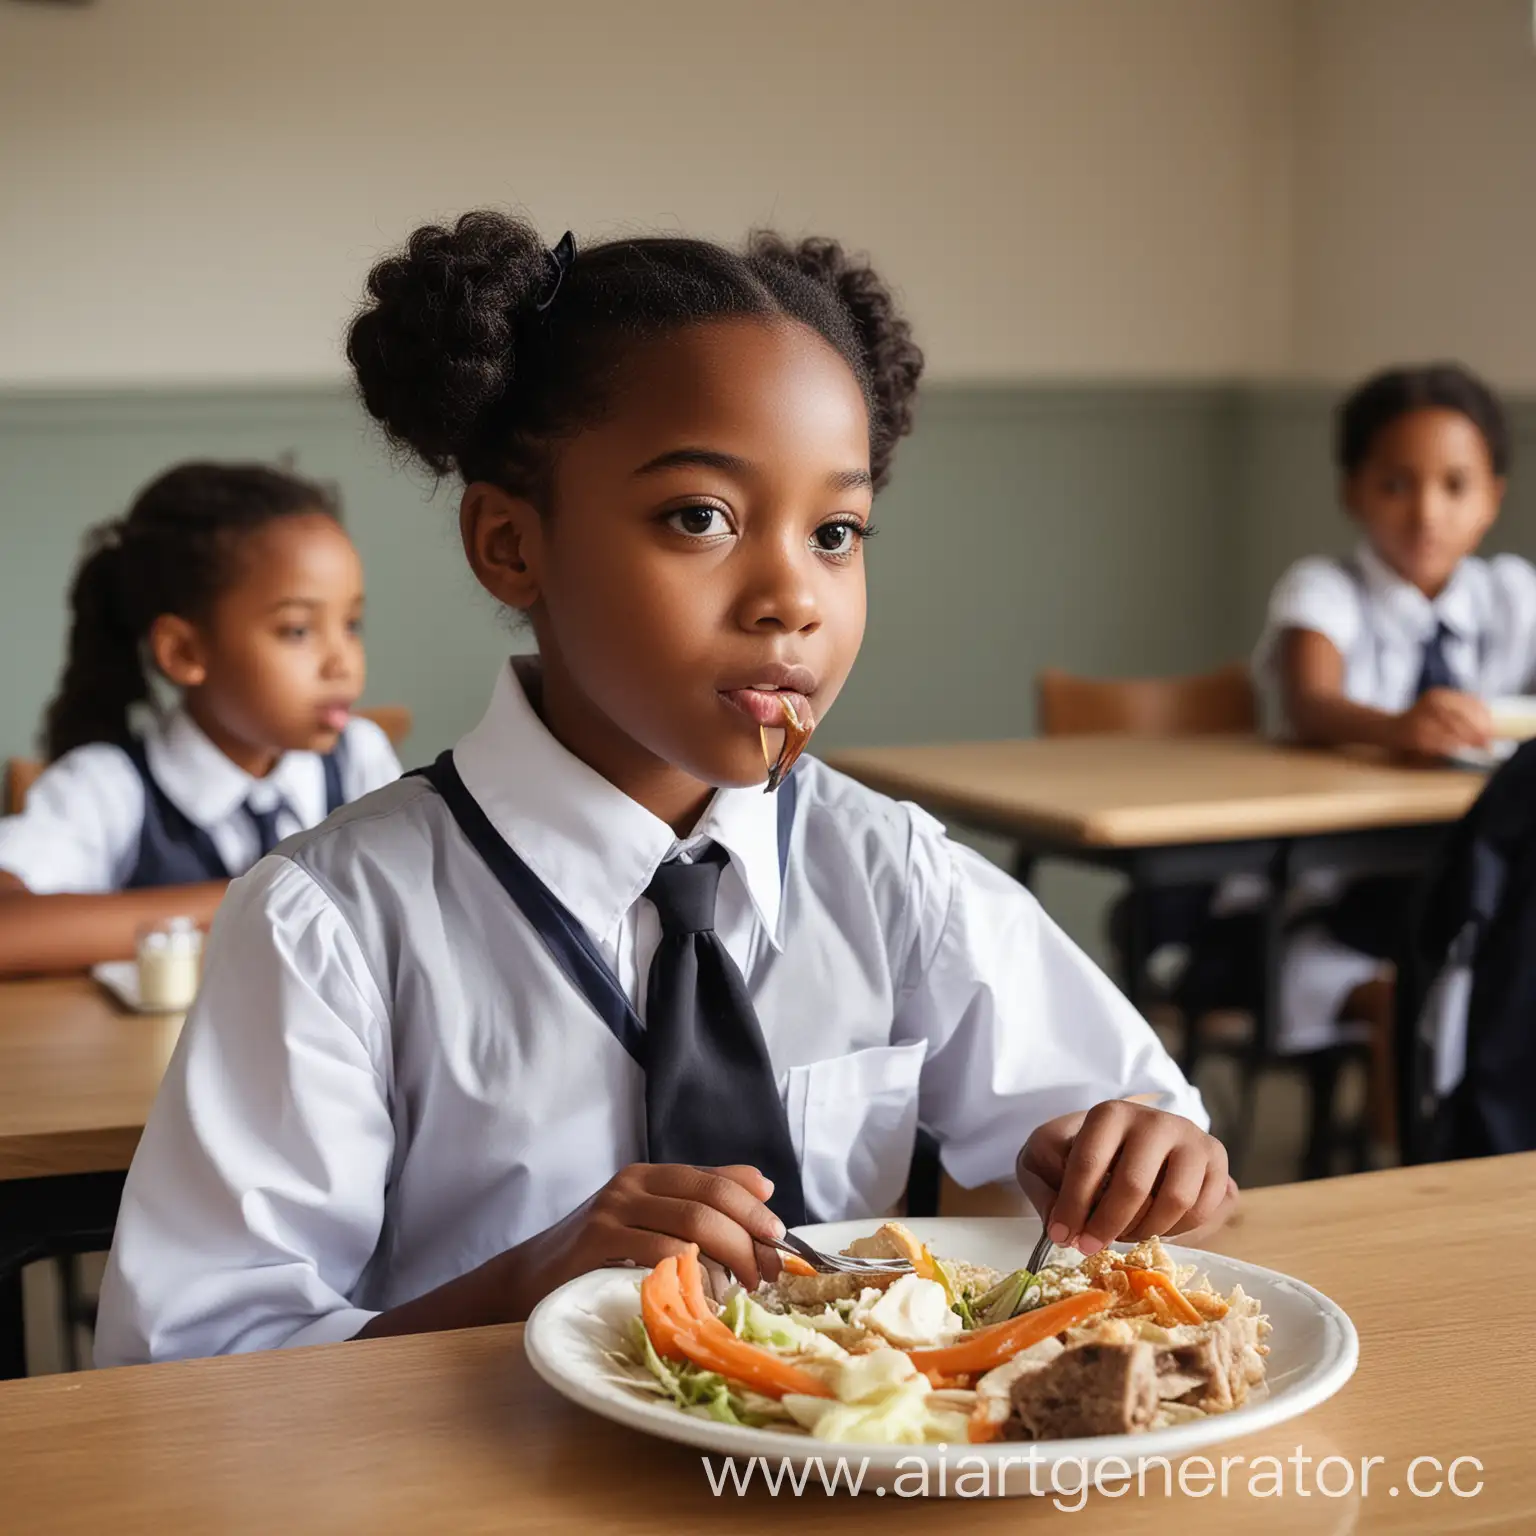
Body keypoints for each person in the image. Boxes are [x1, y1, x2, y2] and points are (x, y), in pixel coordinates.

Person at [96, 213, 1233, 1364]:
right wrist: (527, 1283)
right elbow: (188, 1373)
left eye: (836, 532)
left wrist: (1149, 1160)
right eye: (702, 518)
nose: (793, 598)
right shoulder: (333, 925)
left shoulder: (890, 870)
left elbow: (1166, 1155)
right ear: (510, 545)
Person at [1251, 363, 1536, 1129]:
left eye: (1455, 485)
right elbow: (1311, 702)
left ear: (1494, 498)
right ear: (1353, 490)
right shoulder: (1324, 589)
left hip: (1469, 903)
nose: (1426, 513)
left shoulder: (1512, 594)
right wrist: (1394, 726)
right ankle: (1412, 1169)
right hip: (1331, 906)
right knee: (1420, 996)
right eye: (1396, 484)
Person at [0, 461, 402, 978]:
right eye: (298, 630)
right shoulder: (110, 785)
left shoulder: (359, 758)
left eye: (351, 624)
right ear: (185, 651)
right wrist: (264, 897)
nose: (343, 660)